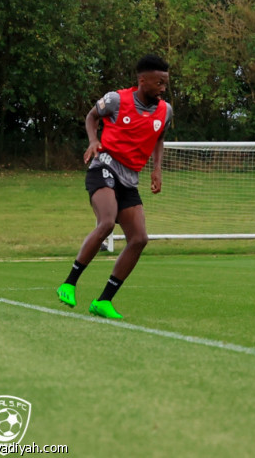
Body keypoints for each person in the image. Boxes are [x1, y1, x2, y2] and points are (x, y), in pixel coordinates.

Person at [56, 54, 172, 319]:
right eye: (159, 82)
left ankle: (103, 301)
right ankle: (69, 283)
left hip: (129, 177)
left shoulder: (165, 111)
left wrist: (157, 168)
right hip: (104, 167)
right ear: (143, 80)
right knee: (106, 222)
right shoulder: (116, 100)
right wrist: (93, 140)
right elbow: (91, 116)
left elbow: (160, 137)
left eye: (165, 83)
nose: (163, 88)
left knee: (140, 239)